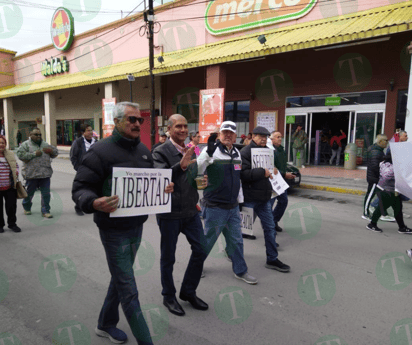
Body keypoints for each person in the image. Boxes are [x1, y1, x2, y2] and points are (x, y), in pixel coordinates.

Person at [72, 102, 174, 345]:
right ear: (116, 122)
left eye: (139, 120)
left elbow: (150, 182)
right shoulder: (99, 151)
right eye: (131, 119)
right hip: (112, 230)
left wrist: (163, 187)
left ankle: (105, 323)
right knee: (129, 289)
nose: (137, 124)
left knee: (121, 277)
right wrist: (94, 202)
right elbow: (80, 188)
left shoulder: (143, 150)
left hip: (136, 226)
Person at [152, 114, 208, 317]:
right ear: (169, 129)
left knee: (201, 250)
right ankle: (168, 296)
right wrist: (181, 166)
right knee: (168, 258)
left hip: (191, 211)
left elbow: (193, 178)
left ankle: (188, 291)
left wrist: (201, 182)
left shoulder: (191, 150)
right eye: (178, 127)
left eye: (185, 126)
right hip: (169, 213)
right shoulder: (160, 151)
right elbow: (160, 179)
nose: (183, 130)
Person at [197, 121, 258, 285]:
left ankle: (240, 270)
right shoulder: (211, 151)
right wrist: (208, 154)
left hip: (232, 207)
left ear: (235, 135)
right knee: (208, 240)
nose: (228, 135)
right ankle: (196, 266)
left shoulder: (237, 153)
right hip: (214, 206)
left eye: (231, 132)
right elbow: (197, 169)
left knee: (236, 240)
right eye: (225, 132)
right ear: (220, 134)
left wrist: (240, 202)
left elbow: (237, 180)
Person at [240, 127, 290, 272]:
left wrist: (273, 170)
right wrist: (263, 172)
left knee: (270, 228)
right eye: (260, 136)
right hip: (249, 198)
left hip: (264, 198)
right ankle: (231, 250)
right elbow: (243, 174)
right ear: (253, 136)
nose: (263, 139)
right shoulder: (245, 152)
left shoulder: (268, 151)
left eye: (265, 137)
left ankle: (272, 258)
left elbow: (269, 169)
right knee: (243, 229)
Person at [16, 128, 58, 218]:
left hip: (45, 174)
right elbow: (19, 154)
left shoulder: (45, 144)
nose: (38, 136)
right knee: (29, 194)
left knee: (46, 194)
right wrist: (33, 154)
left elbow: (55, 152)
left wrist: (51, 151)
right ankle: (27, 207)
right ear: (30, 135)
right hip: (31, 174)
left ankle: (45, 211)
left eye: (40, 135)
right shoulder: (25, 145)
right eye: (36, 134)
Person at [366, 153, 412, 234]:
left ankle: (402, 227)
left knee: (398, 208)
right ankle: (372, 224)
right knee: (381, 208)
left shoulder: (391, 165)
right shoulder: (386, 165)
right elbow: (386, 176)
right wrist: (397, 170)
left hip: (393, 190)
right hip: (385, 190)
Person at [269, 131, 295, 232]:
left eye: (281, 137)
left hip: (280, 181)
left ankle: (274, 220)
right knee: (269, 205)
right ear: (272, 139)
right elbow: (271, 167)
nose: (280, 139)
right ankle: (269, 225)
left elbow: (282, 165)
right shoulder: (270, 150)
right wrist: (284, 174)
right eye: (277, 137)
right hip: (271, 182)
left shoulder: (281, 150)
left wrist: (285, 173)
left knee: (283, 201)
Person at [70, 124, 96, 216]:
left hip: (95, 170)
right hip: (83, 170)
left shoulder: (96, 142)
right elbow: (73, 157)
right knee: (81, 189)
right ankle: (78, 207)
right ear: (83, 132)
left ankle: (93, 206)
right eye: (88, 130)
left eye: (91, 130)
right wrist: (78, 169)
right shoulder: (78, 142)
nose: (90, 132)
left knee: (94, 189)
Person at [362, 134, 388, 221]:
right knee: (370, 195)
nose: (387, 143)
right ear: (380, 142)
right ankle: (365, 213)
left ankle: (383, 213)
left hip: (376, 178)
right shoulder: (376, 151)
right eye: (386, 141)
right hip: (374, 178)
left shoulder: (378, 150)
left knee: (381, 195)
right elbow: (375, 167)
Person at [0, 135, 21, 233]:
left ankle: (12, 224)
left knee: (11, 207)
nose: (1, 145)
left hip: (10, 186)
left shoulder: (10, 154)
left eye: (3, 143)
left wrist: (16, 171)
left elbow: (16, 165)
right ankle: (0, 226)